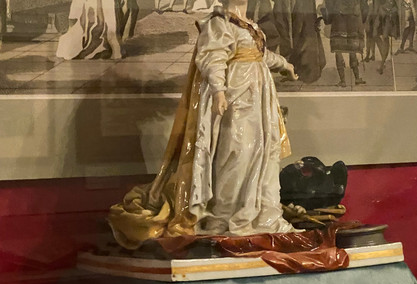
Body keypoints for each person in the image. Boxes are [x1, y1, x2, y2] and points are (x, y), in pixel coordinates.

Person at [109, 1, 299, 248]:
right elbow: (212, 58)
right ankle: (226, 215)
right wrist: (219, 91)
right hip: (236, 100)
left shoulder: (249, 25)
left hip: (259, 103)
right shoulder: (218, 24)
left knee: (263, 155)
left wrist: (285, 65)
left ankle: (264, 215)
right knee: (236, 154)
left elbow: (261, 55)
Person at [322, 0, 366, 87]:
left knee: (339, 51)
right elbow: (363, 8)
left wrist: (326, 16)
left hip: (338, 24)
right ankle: (357, 78)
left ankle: (343, 81)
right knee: (352, 50)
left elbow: (329, 10)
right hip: (352, 24)